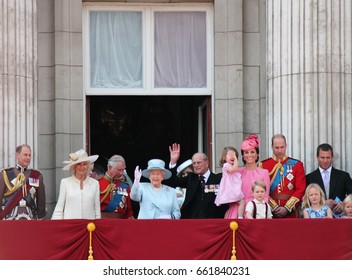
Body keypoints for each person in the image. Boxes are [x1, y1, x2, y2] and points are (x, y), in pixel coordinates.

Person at [168, 143, 228, 219]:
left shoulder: (218, 178)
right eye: (194, 163)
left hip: (213, 221)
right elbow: (173, 181)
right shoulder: (191, 178)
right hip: (192, 221)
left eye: (198, 162)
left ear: (206, 163)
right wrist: (173, 162)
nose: (196, 165)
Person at [259, 134, 306, 218]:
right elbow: (260, 189)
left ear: (286, 146)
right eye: (276, 148)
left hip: (291, 212)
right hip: (270, 212)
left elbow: (300, 189)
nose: (280, 150)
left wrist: (287, 208)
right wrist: (274, 207)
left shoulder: (297, 165)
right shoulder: (263, 165)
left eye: (282, 147)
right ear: (272, 147)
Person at [226, 134, 270, 218]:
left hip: (256, 209)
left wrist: (262, 212)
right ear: (243, 155)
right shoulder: (236, 172)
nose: (249, 155)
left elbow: (265, 196)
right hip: (237, 209)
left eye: (252, 152)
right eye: (246, 152)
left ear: (257, 154)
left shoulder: (264, 172)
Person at [52, 149, 101, 220]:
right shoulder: (65, 182)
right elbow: (59, 208)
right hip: (70, 226)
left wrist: (98, 225)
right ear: (74, 166)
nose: (82, 167)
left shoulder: (94, 183)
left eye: (84, 164)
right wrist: (57, 227)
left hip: (89, 226)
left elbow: (97, 209)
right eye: (79, 164)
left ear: (88, 166)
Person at [0, 144, 46, 220]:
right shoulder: (5, 174)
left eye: (29, 155)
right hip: (9, 219)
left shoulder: (36, 175)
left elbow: (41, 203)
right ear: (17, 155)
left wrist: (40, 219)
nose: (28, 158)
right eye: (25, 155)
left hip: (30, 219)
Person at [305, 143, 352, 217]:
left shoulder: (344, 176)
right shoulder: (309, 178)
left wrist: (344, 204)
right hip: (317, 220)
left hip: (340, 218)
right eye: (322, 157)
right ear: (317, 157)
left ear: (332, 158)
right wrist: (322, 202)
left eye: (328, 157)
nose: (325, 160)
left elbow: (351, 194)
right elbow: (305, 200)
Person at [214, 147, 244, 218]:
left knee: (232, 206)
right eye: (230, 154)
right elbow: (233, 169)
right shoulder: (226, 165)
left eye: (234, 155)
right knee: (241, 201)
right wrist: (236, 161)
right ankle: (240, 216)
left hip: (231, 188)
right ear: (224, 157)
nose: (233, 156)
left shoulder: (229, 165)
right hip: (229, 189)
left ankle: (228, 217)